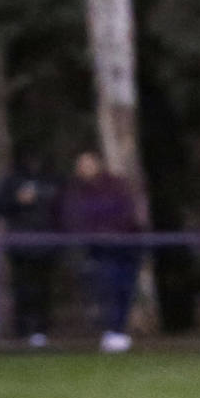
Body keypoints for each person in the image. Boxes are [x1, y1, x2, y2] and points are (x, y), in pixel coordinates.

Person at [59, 150, 139, 352]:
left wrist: (118, 232)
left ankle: (119, 331)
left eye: (89, 163)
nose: (86, 168)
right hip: (97, 249)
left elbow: (129, 213)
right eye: (82, 165)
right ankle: (110, 331)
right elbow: (74, 218)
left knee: (124, 289)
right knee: (106, 289)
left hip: (124, 247)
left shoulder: (115, 185)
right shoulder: (75, 191)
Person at [0, 151, 60, 346]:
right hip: (20, 243)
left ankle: (41, 329)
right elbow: (0, 205)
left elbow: (58, 208)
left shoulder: (51, 180)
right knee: (22, 288)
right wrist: (17, 200)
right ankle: (22, 329)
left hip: (46, 243)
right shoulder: (13, 180)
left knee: (43, 288)